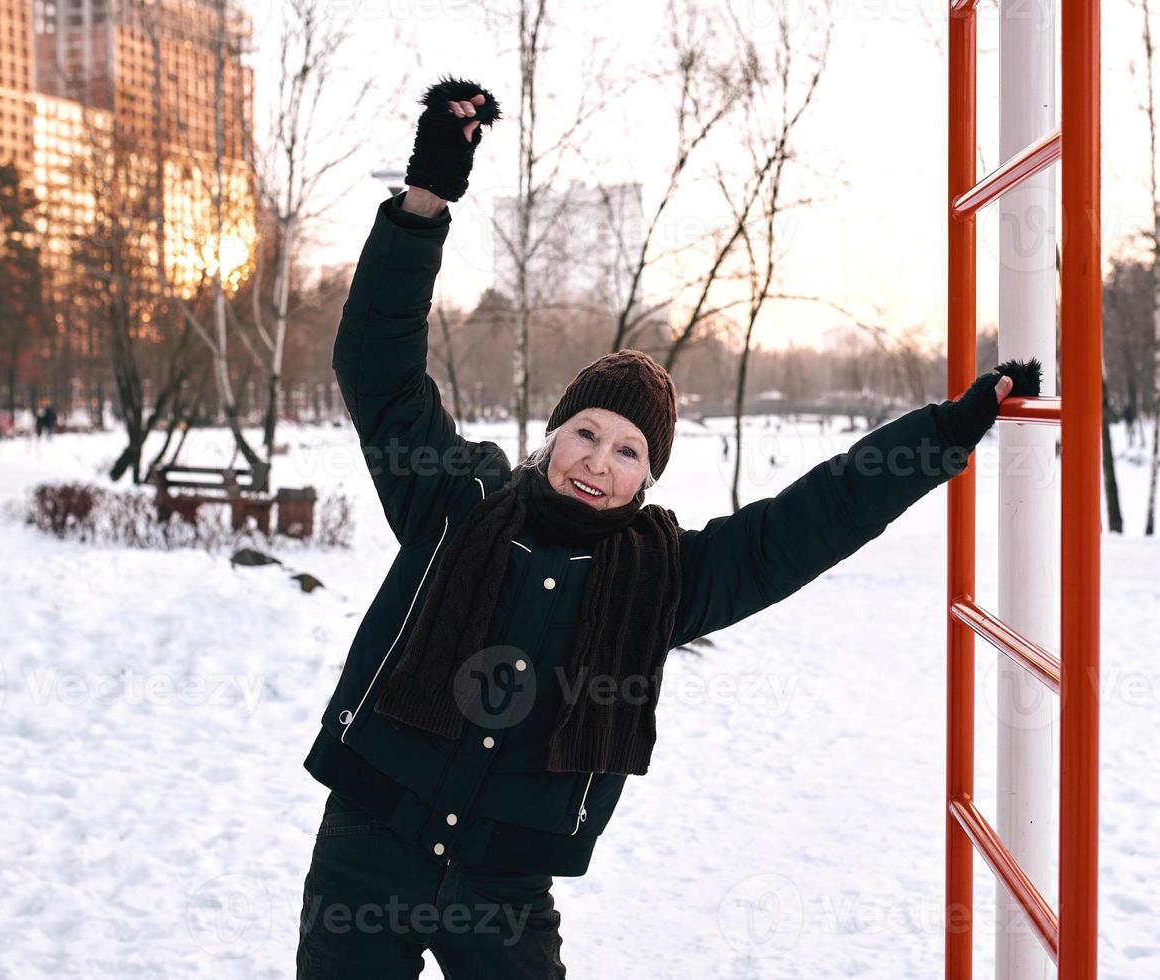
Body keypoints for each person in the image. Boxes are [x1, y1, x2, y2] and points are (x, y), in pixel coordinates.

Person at [295, 77, 1040, 979]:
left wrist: (938, 437)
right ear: (552, 437)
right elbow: (377, 368)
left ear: (648, 477)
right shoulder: (456, 506)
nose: (598, 462)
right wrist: (427, 199)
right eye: (586, 434)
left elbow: (804, 526)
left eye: (627, 451)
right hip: (367, 856)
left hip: (506, 889)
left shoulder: (666, 579)